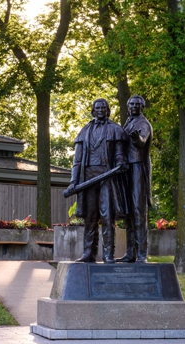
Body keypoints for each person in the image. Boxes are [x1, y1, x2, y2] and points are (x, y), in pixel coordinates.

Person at [68, 98, 129, 263]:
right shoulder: (84, 131)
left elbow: (119, 154)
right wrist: (74, 182)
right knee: (90, 217)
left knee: (107, 216)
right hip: (88, 178)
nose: (101, 110)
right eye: (98, 108)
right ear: (93, 110)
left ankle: (108, 253)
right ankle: (89, 253)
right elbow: (77, 161)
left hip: (107, 177)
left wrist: (121, 161)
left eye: (104, 108)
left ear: (108, 110)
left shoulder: (115, 130)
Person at [116, 94, 153, 263]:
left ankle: (142, 254)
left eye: (136, 104)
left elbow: (142, 141)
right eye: (130, 104)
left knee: (138, 212)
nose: (133, 107)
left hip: (138, 168)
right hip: (126, 169)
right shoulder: (128, 123)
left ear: (141, 107)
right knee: (128, 213)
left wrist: (137, 138)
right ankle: (130, 253)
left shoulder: (143, 123)